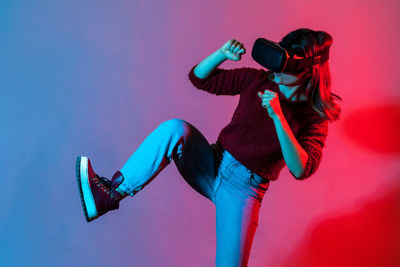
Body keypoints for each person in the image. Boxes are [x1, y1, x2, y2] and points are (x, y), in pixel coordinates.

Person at [75, 28, 342, 267]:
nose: (275, 72)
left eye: (283, 67)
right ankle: (110, 194)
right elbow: (200, 79)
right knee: (175, 129)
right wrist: (221, 54)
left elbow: (301, 169)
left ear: (306, 71)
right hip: (212, 163)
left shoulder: (314, 116)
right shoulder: (258, 81)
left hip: (243, 191)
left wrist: (279, 117)